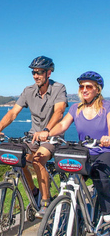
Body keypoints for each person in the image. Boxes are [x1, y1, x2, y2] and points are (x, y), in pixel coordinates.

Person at [0, 55, 68, 218]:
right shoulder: (28, 91)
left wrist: (46, 130)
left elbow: (59, 111)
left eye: (39, 72)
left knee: (38, 159)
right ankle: (34, 191)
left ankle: (45, 203)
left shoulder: (59, 88)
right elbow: (13, 113)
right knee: (18, 158)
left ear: (49, 73)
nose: (36, 76)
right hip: (33, 137)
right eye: (34, 72)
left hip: (52, 138)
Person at [36, 71, 110, 221]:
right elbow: (63, 124)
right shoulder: (76, 108)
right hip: (84, 153)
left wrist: (108, 138)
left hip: (104, 151)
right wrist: (48, 133)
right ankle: (75, 212)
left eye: (89, 86)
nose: (84, 89)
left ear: (97, 89)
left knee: (99, 174)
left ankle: (107, 211)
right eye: (82, 86)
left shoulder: (107, 107)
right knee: (71, 176)